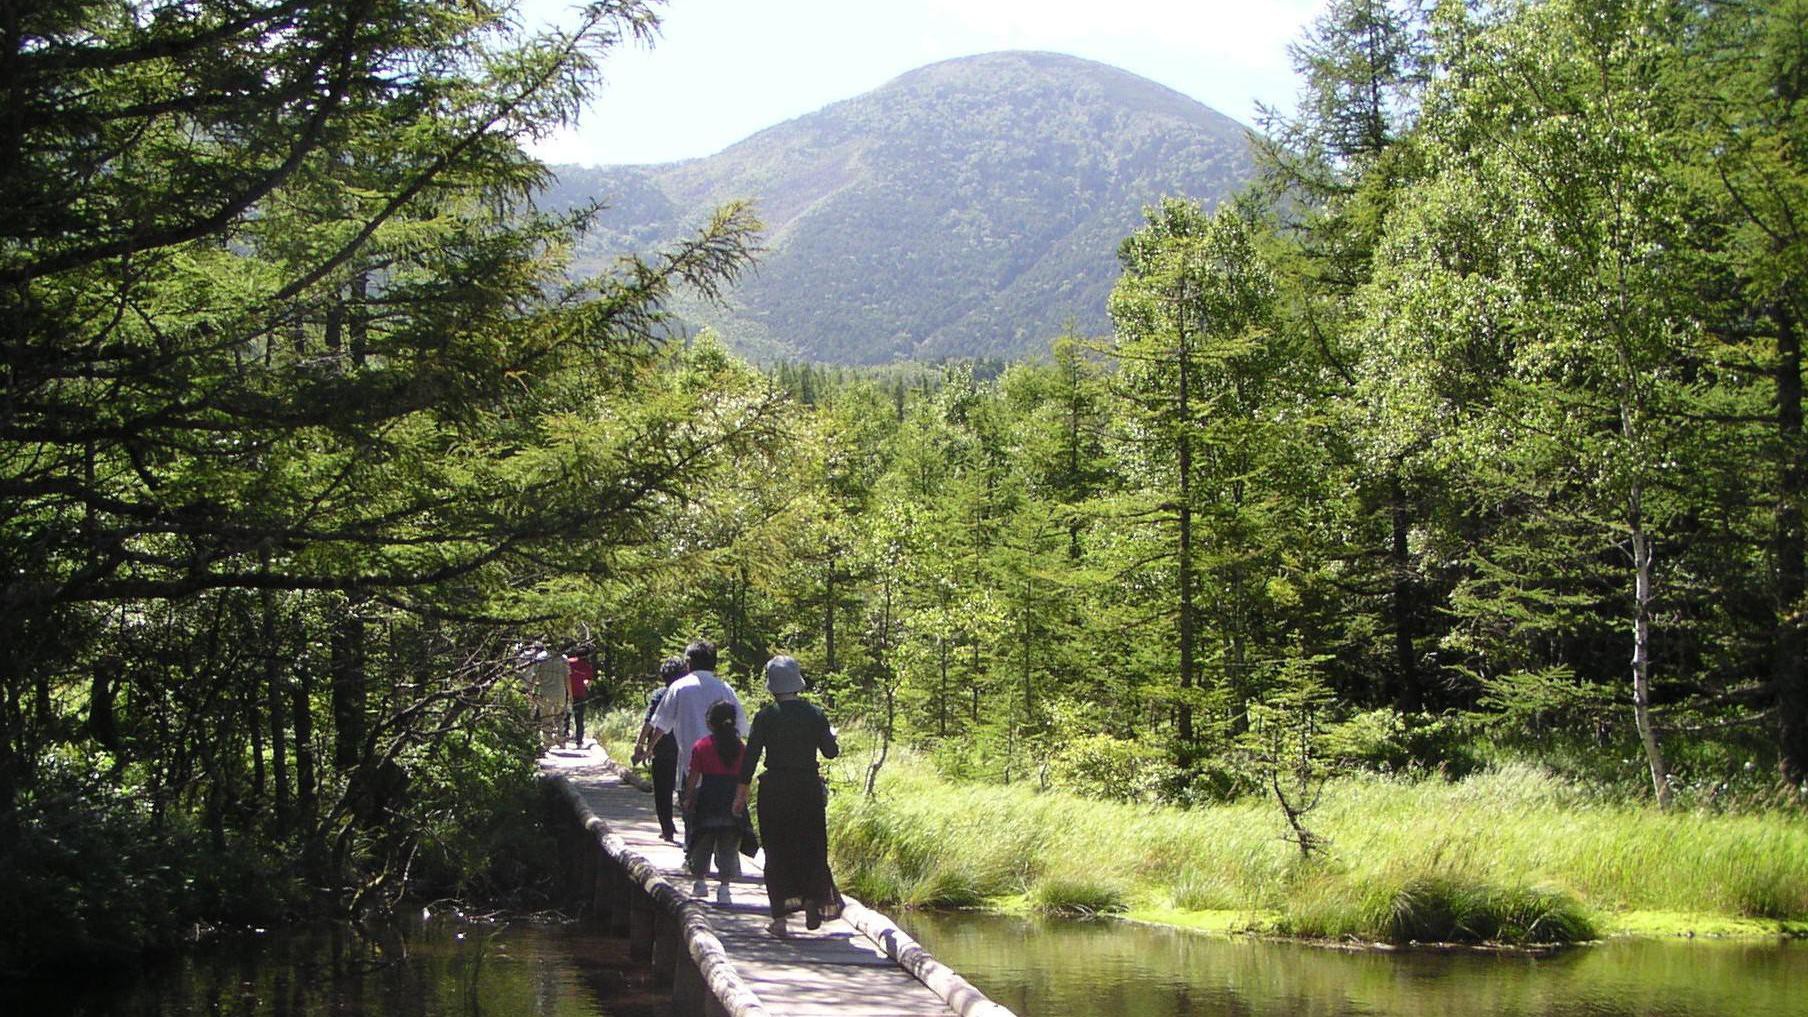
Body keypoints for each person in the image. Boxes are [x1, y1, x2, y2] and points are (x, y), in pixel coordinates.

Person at [733, 655, 842, 938]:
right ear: (797, 682)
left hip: (775, 790)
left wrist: (740, 794)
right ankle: (811, 900)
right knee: (811, 846)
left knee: (777, 849)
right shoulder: (815, 714)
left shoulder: (766, 716)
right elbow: (831, 752)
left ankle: (779, 919)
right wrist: (831, 736)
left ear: (771, 685)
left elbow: (751, 757)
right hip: (807, 788)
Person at [648, 640, 747, 837]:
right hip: (724, 764)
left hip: (691, 763)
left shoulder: (679, 688)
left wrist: (648, 747)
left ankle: (693, 853)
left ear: (689, 663)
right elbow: (742, 726)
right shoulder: (725, 688)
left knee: (690, 806)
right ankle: (723, 855)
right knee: (722, 810)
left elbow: (661, 723)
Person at [682, 701, 746, 903]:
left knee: (702, 840)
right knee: (729, 845)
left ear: (710, 723)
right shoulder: (741, 748)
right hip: (731, 797)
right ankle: (724, 888)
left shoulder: (702, 746)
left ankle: (700, 883)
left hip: (708, 798)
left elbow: (693, 776)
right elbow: (745, 777)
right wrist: (741, 799)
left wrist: (688, 796)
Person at [631, 656, 687, 842]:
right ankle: (690, 829)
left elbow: (650, 721)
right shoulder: (688, 694)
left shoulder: (659, 694)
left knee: (662, 791)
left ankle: (667, 828)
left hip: (662, 748)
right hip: (685, 747)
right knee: (685, 789)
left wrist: (641, 745)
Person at [563, 643, 595, 748]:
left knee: (565, 715)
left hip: (566, 692)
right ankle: (579, 741)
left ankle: (563, 737)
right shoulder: (587, 666)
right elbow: (589, 682)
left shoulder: (568, 662)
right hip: (580, 694)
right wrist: (585, 684)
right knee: (579, 718)